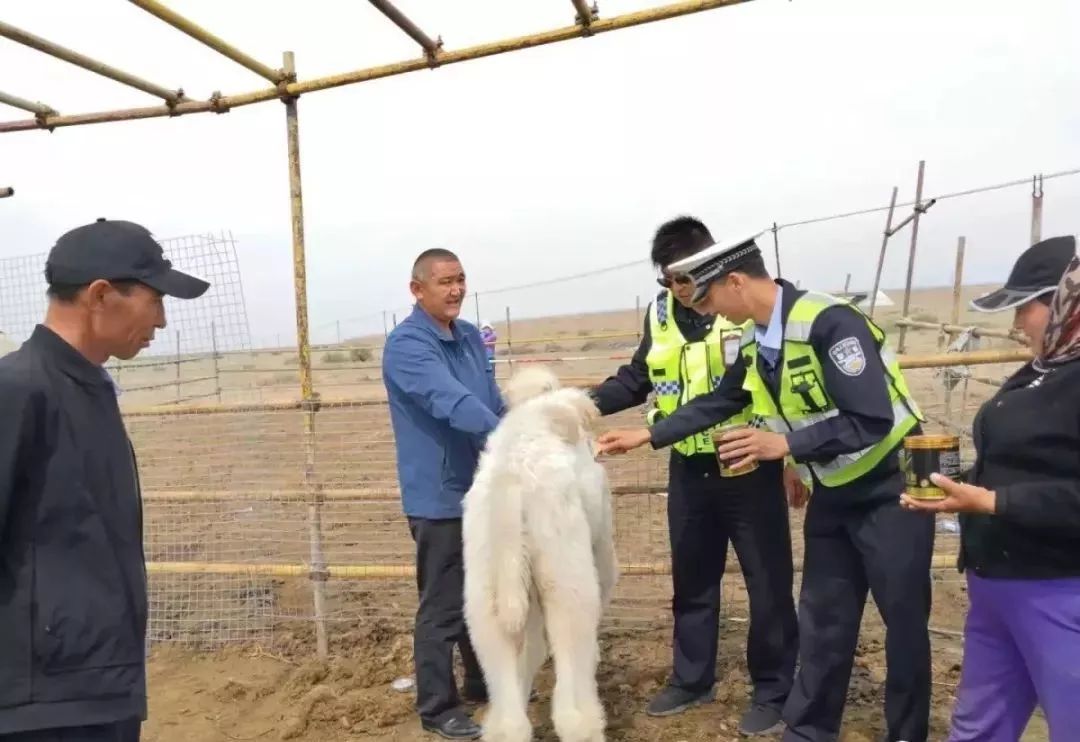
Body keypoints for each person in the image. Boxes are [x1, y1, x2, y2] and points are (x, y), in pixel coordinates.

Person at [597, 232, 936, 742]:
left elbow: (871, 418)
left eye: (709, 299)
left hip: (891, 490)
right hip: (835, 490)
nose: (710, 313)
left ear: (735, 281)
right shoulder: (758, 339)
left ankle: (906, 733)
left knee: (904, 624)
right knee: (822, 621)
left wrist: (786, 448)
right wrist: (648, 434)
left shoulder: (829, 322)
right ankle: (808, 731)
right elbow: (722, 400)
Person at [0, 218, 210, 741]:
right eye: (155, 300)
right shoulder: (19, 390)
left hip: (96, 683)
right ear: (100, 295)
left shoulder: (88, 385)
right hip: (44, 701)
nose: (160, 321)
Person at [588, 217, 800, 734]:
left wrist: (648, 435)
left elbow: (741, 390)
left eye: (682, 278)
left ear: (710, 266)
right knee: (693, 580)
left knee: (767, 582)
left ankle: (774, 690)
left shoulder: (746, 309)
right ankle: (691, 678)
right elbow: (639, 377)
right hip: (688, 467)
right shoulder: (660, 313)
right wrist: (580, 405)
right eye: (666, 281)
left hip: (747, 463)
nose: (676, 291)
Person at [901, 234, 1080, 741]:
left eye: (1027, 306)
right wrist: (954, 493)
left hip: (1060, 587)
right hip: (997, 580)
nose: (1018, 321)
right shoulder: (1042, 371)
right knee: (980, 727)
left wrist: (992, 501)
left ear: (1067, 303)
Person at [382, 248, 505, 740]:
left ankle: (481, 681)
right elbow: (450, 401)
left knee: (485, 590)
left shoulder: (471, 338)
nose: (455, 290)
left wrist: (524, 427)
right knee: (443, 603)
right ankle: (437, 706)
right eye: (443, 282)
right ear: (417, 290)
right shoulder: (408, 345)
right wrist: (510, 441)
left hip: (482, 488)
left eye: (460, 280)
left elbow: (489, 398)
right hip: (439, 495)